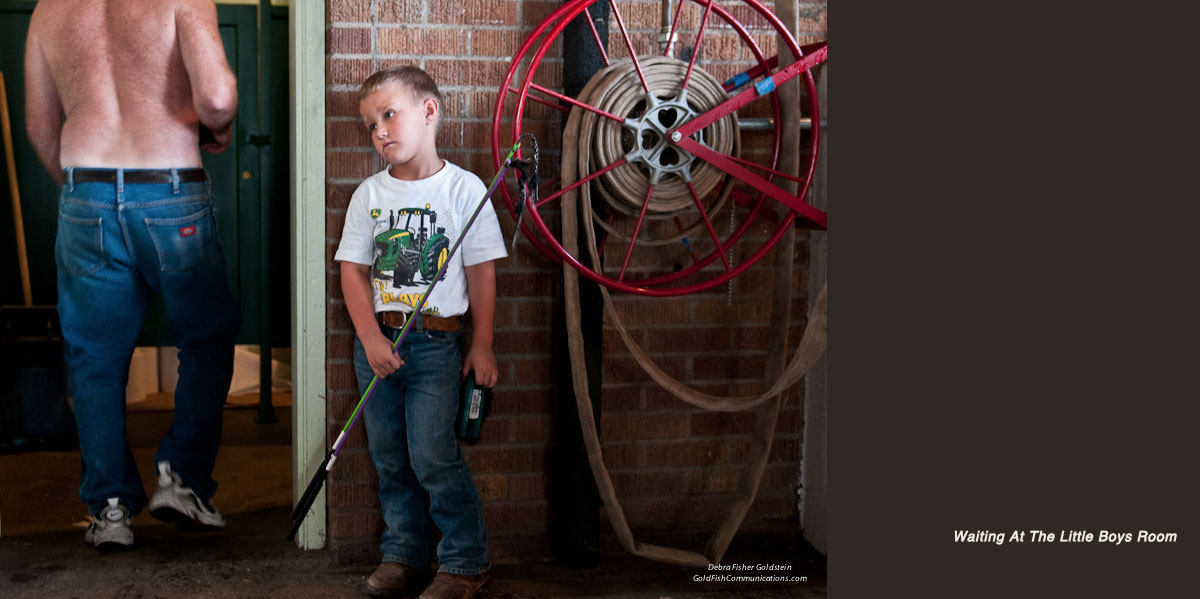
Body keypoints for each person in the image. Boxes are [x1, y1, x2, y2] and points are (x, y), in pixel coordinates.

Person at [24, 0, 241, 549]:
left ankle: (110, 507)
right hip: (168, 186)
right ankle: (182, 478)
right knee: (206, 340)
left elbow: (38, 124)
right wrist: (220, 127)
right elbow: (216, 98)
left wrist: (84, 194)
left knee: (93, 358)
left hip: (85, 186)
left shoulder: (49, 10)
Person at [335, 65, 505, 599]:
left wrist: (480, 343)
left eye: (389, 115)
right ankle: (404, 554)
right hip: (379, 346)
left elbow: (481, 270)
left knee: (432, 454)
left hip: (436, 347)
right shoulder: (370, 194)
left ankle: (464, 561)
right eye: (370, 125)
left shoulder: (465, 189)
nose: (379, 130)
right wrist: (369, 340)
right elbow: (352, 270)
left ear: (429, 112)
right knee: (388, 456)